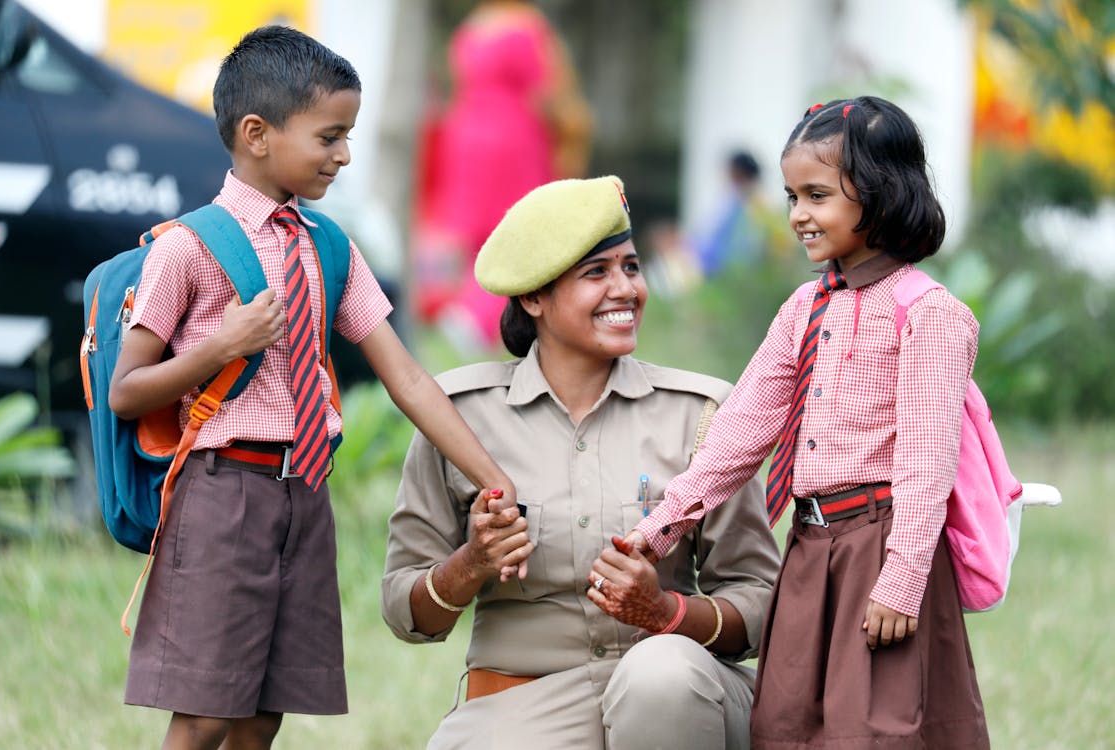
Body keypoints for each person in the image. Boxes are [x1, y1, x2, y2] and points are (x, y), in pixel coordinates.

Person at [107, 26, 518, 750]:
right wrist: (223, 345)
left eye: (349, 135)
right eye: (329, 136)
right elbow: (127, 391)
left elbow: (409, 381)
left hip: (304, 499)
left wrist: (492, 481)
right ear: (257, 134)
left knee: (266, 712)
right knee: (206, 713)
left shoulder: (328, 245)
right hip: (221, 493)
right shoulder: (187, 247)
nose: (345, 154)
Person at [616, 96, 991, 748]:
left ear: (879, 193)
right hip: (809, 550)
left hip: (880, 548)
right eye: (791, 196)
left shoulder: (928, 313)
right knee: (789, 723)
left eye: (815, 196)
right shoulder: (804, 308)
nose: (796, 216)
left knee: (873, 728)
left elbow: (927, 461)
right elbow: (743, 428)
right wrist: (662, 526)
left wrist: (902, 582)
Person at [382, 175, 780, 749]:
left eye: (632, 267)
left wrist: (666, 611)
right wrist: (471, 562)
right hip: (525, 705)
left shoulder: (702, 414)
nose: (626, 289)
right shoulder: (458, 418)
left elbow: (761, 600)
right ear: (534, 297)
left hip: (680, 701)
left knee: (660, 677)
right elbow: (404, 610)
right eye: (597, 273)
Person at [411, 0, 593, 352]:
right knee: (522, 225)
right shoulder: (525, 28)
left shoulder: (470, 29)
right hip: (512, 140)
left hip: (464, 137)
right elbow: (548, 91)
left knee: (478, 231)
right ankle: (477, 313)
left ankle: (471, 306)